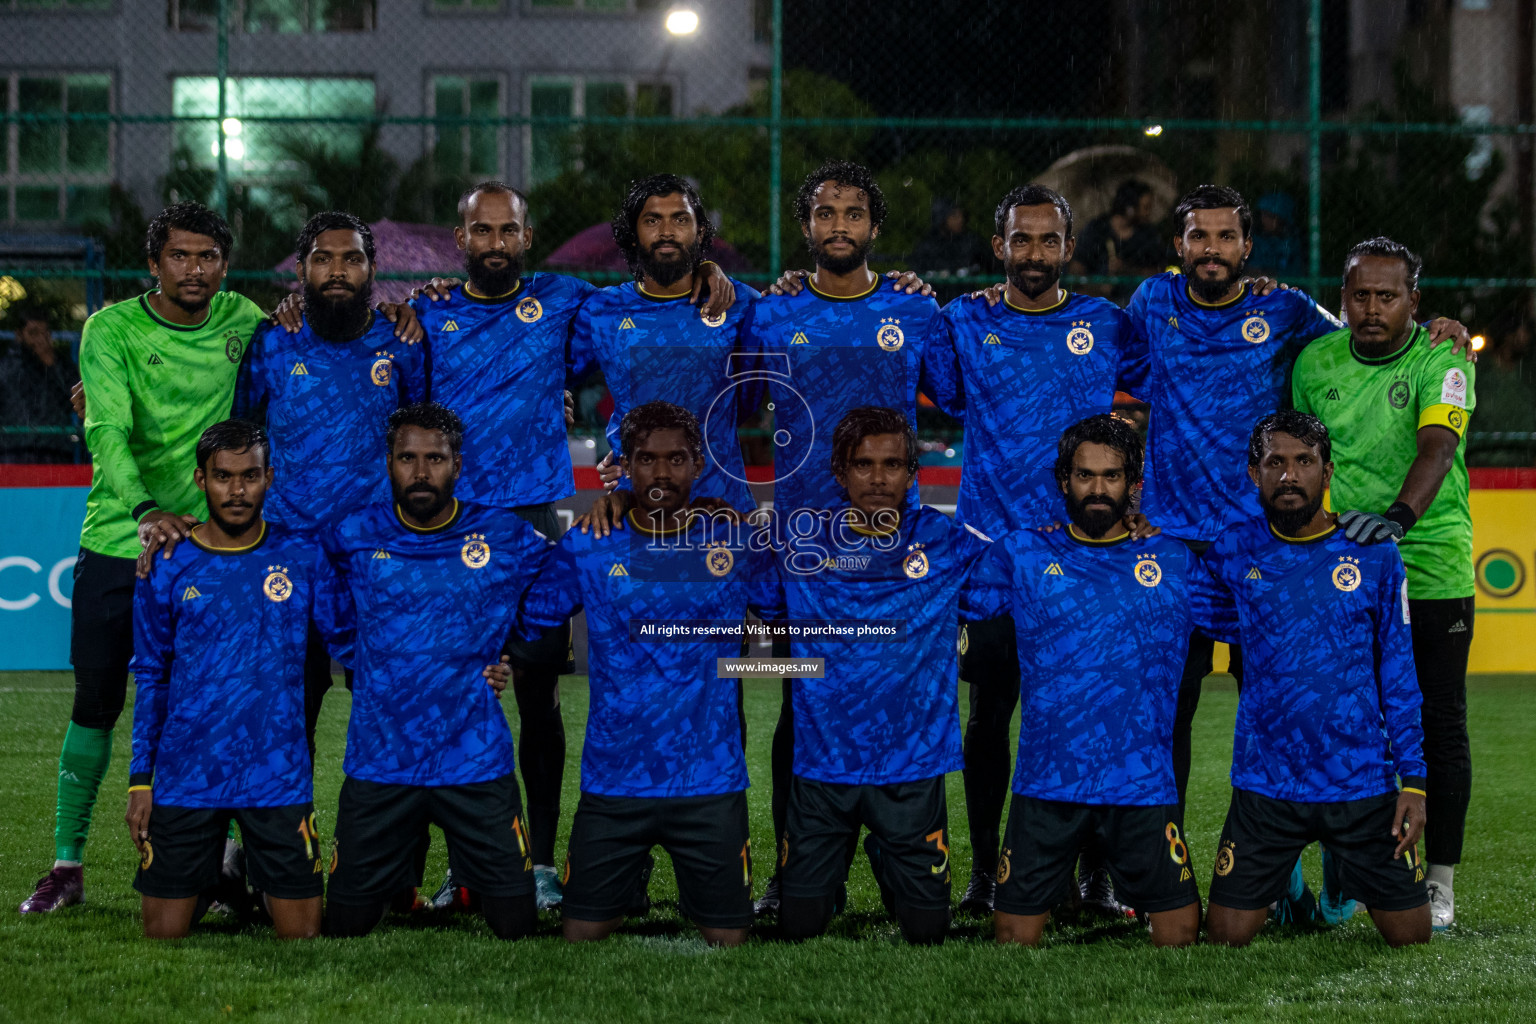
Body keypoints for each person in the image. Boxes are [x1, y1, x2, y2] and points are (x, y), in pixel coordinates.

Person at [410, 181, 735, 909]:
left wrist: (711, 275)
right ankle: (465, 863)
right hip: (452, 530)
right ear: (459, 239)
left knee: (537, 693)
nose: (495, 242)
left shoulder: (568, 303)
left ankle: (543, 862)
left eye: (508, 230)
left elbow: (645, 348)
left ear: (527, 238)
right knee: (453, 695)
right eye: (481, 230)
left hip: (537, 522)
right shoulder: (426, 313)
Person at [18, 203, 270, 915]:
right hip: (119, 542)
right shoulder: (111, 329)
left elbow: (303, 347)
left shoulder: (244, 322)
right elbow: (107, 431)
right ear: (153, 264)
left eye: (209, 257)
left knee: (207, 710)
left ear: (225, 264)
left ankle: (220, 867)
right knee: (95, 706)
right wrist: (145, 513)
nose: (196, 269)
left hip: (209, 553)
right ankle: (67, 864)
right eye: (181, 256)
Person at [734, 161, 958, 918]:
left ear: (873, 227)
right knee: (801, 705)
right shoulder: (771, 313)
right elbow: (725, 400)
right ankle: (793, 866)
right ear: (806, 228)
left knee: (896, 699)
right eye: (825, 214)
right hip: (804, 550)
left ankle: (922, 852)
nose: (839, 227)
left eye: (853, 214)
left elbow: (962, 395)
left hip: (896, 547)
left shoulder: (915, 310)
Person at [928, 184, 1149, 917]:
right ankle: (989, 872)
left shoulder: (1106, 324)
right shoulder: (964, 320)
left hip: (1088, 558)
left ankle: (1097, 875)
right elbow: (920, 379)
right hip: (993, 559)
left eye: (1047, 240)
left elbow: (1171, 385)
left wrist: (1139, 494)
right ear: (999, 247)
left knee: (1089, 713)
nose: (1033, 253)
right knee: (990, 715)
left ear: (1068, 248)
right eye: (1020, 240)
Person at [518, 402, 765, 946]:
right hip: (615, 782)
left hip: (709, 783)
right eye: (646, 460)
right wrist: (489, 662)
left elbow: (800, 606)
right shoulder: (589, 542)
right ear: (624, 465)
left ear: (698, 464)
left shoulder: (733, 540)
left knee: (729, 939)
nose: (661, 473)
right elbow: (530, 616)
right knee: (580, 935)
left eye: (676, 459)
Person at [1193, 411, 1431, 949]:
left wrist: (1413, 782)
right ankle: (1294, 895)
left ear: (1327, 473)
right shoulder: (1234, 550)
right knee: (1225, 937)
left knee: (1411, 937)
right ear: (1253, 473)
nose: (1289, 475)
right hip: (1265, 784)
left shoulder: (1373, 554)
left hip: (1361, 783)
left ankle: (1338, 886)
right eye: (1274, 462)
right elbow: (1199, 610)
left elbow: (1398, 672)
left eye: (1304, 462)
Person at [1292, 238, 1476, 930]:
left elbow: (1439, 447)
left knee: (1438, 725)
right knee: (1349, 724)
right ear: (1342, 299)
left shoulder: (1443, 355)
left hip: (1428, 567)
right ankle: (1353, 871)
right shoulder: (1314, 362)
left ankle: (1440, 883)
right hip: (1345, 575)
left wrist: (1398, 521)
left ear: (1414, 303)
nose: (1372, 308)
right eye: (1360, 295)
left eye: (1387, 296)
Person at [963, 414, 1199, 948]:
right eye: (1085, 475)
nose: (1097, 488)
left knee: (1182, 937)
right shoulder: (1022, 554)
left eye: (1112, 476)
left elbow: (1252, 608)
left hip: (1140, 786)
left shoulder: (1173, 560)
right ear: (1063, 481)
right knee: (1012, 938)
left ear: (1134, 485)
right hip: (1046, 784)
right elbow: (943, 594)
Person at [319, 402, 552, 940]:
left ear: (458, 464)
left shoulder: (500, 532)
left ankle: (474, 879)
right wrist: (355, 650)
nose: (420, 472)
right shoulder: (354, 532)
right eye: (407, 458)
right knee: (347, 925)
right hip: (381, 762)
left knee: (516, 925)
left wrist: (512, 646)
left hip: (473, 761)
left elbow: (563, 575)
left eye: (435, 458)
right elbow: (313, 577)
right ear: (388, 463)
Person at [762, 407, 990, 945]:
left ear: (913, 475)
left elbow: (1031, 569)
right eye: (863, 464)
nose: (879, 477)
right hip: (824, 769)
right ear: (840, 473)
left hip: (910, 769)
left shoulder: (948, 542)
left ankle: (886, 850)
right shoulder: (798, 543)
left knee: (927, 932)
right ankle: (835, 858)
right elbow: (726, 576)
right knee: (799, 927)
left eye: (892, 464)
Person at [126, 420, 335, 939]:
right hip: (187, 772)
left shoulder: (302, 558)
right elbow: (151, 676)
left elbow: (359, 637)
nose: (236, 490)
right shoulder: (168, 563)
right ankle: (218, 874)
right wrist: (140, 780)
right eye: (223, 477)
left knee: (301, 933)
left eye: (250, 476)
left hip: (276, 771)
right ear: (201, 479)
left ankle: (244, 874)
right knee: (163, 932)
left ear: (270, 477)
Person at [229, 211, 428, 752]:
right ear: (301, 270)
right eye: (323, 259)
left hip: (376, 551)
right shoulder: (272, 342)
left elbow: (425, 450)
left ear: (372, 269)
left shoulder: (402, 342)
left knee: (384, 702)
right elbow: (240, 440)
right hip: (289, 552)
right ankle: (273, 836)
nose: (337, 271)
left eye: (352, 259)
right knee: (286, 706)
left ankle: (382, 834)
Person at [571, 174, 760, 513]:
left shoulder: (742, 305)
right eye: (652, 220)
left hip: (721, 506)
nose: (667, 232)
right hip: (635, 506)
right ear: (633, 235)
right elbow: (548, 377)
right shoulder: (600, 311)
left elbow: (753, 398)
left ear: (700, 232)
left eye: (680, 219)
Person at [0, 307, 79, 464]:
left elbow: (75, 400)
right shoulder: (7, 366)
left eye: (45, 333)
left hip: (55, 450)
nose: (40, 340)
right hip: (14, 451)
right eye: (33, 333)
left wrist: (52, 366)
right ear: (19, 335)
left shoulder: (60, 363)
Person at [1069, 180, 1166, 303]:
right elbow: (1077, 269)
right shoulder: (1096, 229)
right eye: (1145, 208)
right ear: (1129, 208)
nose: (1148, 213)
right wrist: (1098, 286)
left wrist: (1127, 270)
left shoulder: (1149, 235)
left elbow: (1157, 272)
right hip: (1096, 300)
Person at [910, 201, 995, 280]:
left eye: (961, 215)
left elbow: (991, 265)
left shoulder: (971, 241)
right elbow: (918, 271)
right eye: (954, 215)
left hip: (966, 294)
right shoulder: (927, 245)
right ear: (941, 219)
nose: (960, 219)